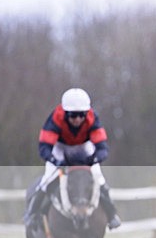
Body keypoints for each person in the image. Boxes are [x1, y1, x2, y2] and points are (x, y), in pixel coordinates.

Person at [23, 87, 121, 230]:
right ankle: (31, 214)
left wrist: (94, 159)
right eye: (73, 116)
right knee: (47, 179)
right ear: (65, 113)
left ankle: (112, 216)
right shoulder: (55, 119)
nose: (78, 119)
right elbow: (44, 147)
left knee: (100, 179)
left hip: (83, 146)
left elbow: (102, 148)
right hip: (60, 147)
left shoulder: (93, 119)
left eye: (81, 115)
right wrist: (55, 160)